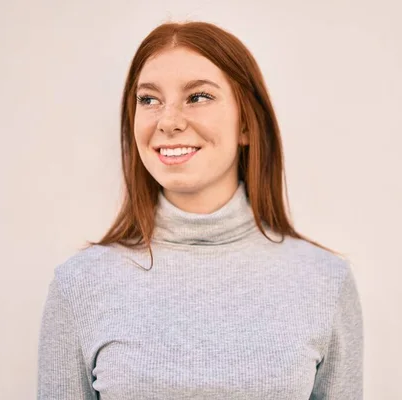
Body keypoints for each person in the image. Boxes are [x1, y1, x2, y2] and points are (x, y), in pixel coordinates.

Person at [37, 20, 363, 400]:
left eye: (198, 97)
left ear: (247, 124)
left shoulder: (324, 281)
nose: (169, 121)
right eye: (149, 99)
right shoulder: (80, 284)